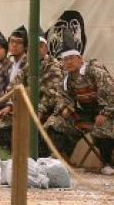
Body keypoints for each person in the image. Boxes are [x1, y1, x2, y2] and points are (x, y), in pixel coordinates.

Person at [45, 29, 114, 175]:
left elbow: (111, 95)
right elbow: (62, 97)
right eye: (65, 59)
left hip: (106, 113)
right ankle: (61, 160)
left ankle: (107, 163)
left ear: (80, 59)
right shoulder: (67, 79)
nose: (68, 62)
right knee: (55, 122)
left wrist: (104, 114)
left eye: (71, 58)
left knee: (104, 125)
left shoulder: (95, 71)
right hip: (85, 114)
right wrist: (65, 108)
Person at [0, 25, 29, 148]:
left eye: (18, 42)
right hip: (4, 106)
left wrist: (9, 107)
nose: (14, 45)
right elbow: (7, 91)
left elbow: (27, 90)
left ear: (26, 46)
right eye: (12, 41)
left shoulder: (27, 63)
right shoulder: (11, 65)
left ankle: (7, 158)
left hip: (23, 107)